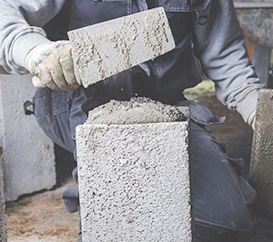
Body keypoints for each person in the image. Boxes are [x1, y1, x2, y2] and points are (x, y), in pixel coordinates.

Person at [0, 0, 264, 241]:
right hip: (74, 96)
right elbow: (5, 12)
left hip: (164, 103)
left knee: (230, 222)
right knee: (124, 216)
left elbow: (225, 54)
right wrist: (35, 51)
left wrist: (257, 110)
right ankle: (103, 216)